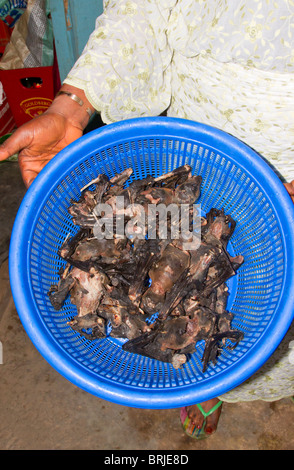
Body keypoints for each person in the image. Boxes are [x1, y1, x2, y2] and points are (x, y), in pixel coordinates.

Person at [1, 0, 294, 438]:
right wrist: (71, 105)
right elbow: (142, 8)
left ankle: (220, 382)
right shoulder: (166, 230)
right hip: (197, 130)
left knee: (269, 333)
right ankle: (204, 376)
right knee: (177, 239)